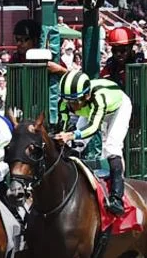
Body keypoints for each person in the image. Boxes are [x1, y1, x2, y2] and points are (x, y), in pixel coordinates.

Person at [54, 71, 131, 217]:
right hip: (91, 110)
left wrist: (70, 135)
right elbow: (63, 125)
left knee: (112, 147)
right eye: (69, 101)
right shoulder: (65, 102)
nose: (72, 106)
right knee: (76, 144)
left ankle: (117, 197)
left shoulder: (98, 99)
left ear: (87, 95)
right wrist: (64, 137)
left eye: (75, 102)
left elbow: (93, 128)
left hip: (117, 108)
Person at [10, 19, 67, 123]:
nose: (18, 43)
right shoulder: (15, 59)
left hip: (47, 110)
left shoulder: (50, 58)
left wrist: (59, 70)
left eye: (24, 40)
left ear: (35, 40)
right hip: (24, 109)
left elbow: (70, 76)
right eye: (17, 39)